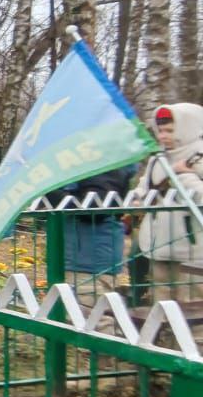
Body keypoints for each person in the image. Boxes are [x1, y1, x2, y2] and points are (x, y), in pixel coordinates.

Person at [129, 103, 203, 311]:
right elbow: (144, 187)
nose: (163, 136)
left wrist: (183, 177)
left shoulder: (199, 155)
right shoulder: (157, 159)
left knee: (193, 306)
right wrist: (138, 199)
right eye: (160, 130)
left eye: (170, 130)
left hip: (193, 249)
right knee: (162, 303)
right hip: (158, 244)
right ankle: (163, 331)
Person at [45, 163, 137, 308]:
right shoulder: (89, 166)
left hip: (90, 261)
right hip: (77, 256)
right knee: (77, 314)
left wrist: (51, 192)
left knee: (90, 315)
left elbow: (95, 209)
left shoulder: (103, 167)